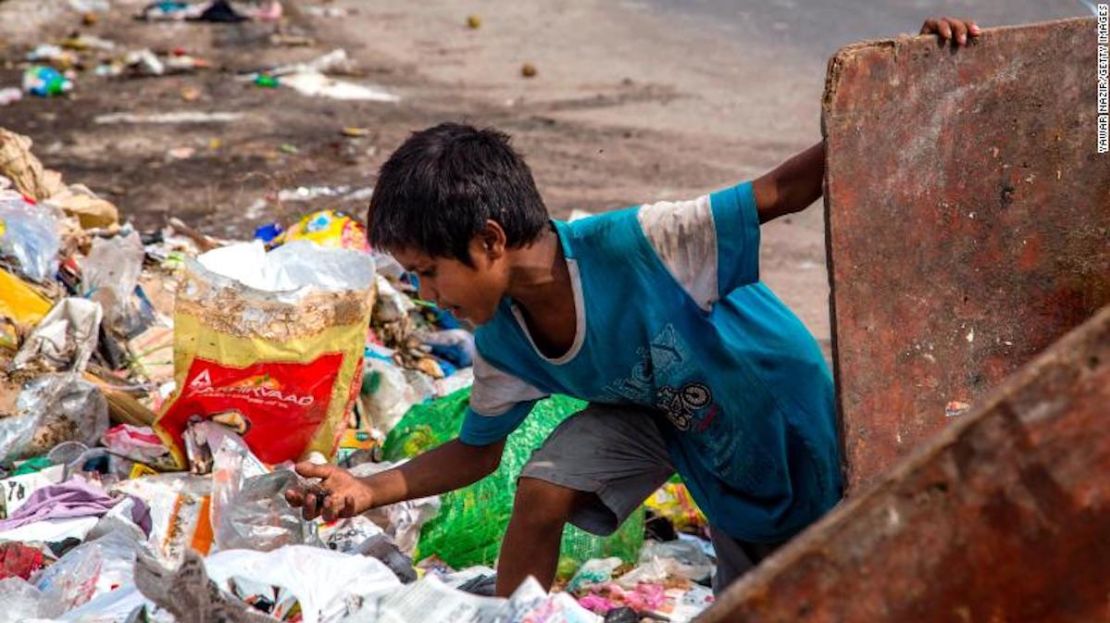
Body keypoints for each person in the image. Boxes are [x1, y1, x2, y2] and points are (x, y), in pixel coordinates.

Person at [286, 17, 982, 596]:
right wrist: (366, 488)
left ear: (489, 240)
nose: (429, 296)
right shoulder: (503, 340)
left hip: (778, 407)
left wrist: (911, 91)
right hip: (676, 427)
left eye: (429, 273)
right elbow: (476, 453)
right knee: (540, 489)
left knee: (839, 573)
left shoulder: (642, 244)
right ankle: (520, 616)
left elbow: (786, 190)